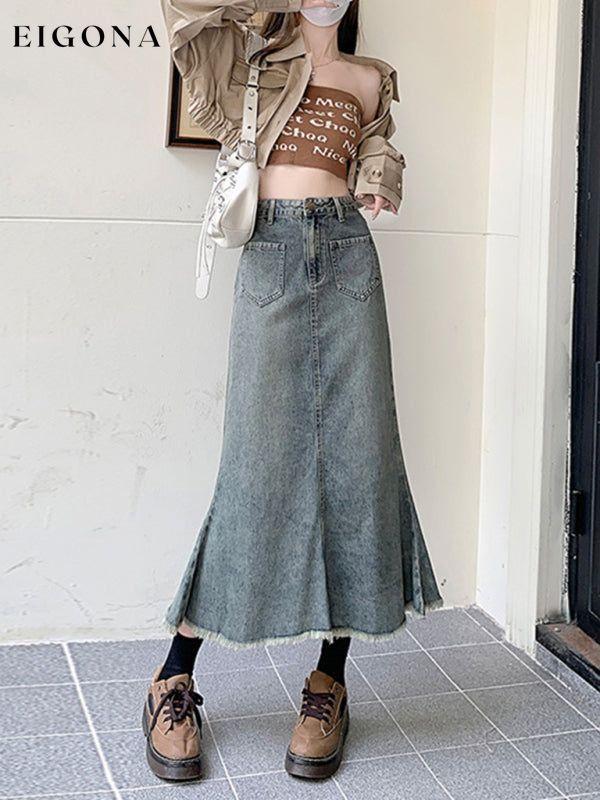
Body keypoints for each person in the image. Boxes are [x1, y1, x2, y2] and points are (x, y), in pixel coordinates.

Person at [144, 0, 443, 783]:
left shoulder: (372, 79)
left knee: (357, 463)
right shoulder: (249, 56)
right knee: (254, 470)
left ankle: (329, 682)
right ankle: (173, 677)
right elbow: (181, 14)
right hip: (272, 257)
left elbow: (376, 151)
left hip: (347, 256)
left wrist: (378, 179)